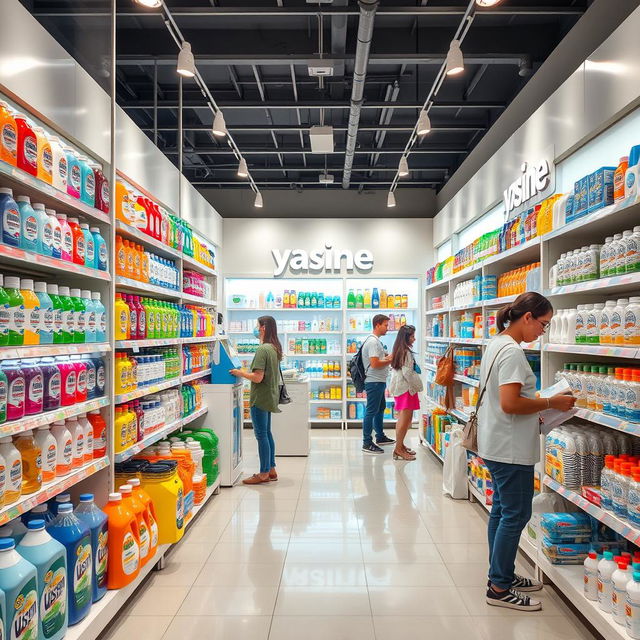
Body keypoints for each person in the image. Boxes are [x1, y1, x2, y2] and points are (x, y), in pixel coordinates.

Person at [479, 292, 576, 611]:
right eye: (544, 324)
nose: (543, 331)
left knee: (502, 510)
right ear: (528, 317)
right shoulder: (512, 353)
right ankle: (499, 587)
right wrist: (552, 402)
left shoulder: (498, 343)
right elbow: (510, 403)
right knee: (516, 513)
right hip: (509, 448)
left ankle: (501, 573)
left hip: (496, 442)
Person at [230, 315, 282, 485]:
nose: (255, 328)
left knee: (261, 435)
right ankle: (271, 469)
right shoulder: (274, 347)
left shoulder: (262, 350)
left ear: (263, 328)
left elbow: (258, 377)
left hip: (260, 398)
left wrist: (240, 373)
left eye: (257, 325)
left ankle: (263, 473)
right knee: (267, 433)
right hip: (270, 396)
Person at [361, 313, 395, 454]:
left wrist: (387, 358)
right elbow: (374, 364)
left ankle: (380, 436)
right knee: (371, 411)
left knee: (380, 409)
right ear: (377, 325)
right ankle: (367, 442)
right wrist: (390, 360)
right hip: (374, 382)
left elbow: (377, 360)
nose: (387, 328)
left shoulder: (376, 341)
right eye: (385, 325)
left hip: (378, 381)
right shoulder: (373, 342)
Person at [388, 325, 423, 461]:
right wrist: (418, 385)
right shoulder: (406, 352)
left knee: (403, 418)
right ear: (406, 337)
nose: (414, 339)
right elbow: (408, 372)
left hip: (400, 387)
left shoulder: (399, 349)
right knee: (405, 419)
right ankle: (398, 449)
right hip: (406, 388)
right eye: (412, 336)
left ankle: (400, 445)